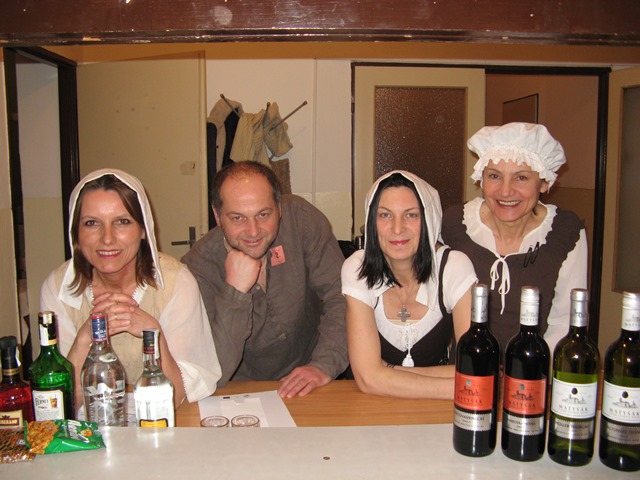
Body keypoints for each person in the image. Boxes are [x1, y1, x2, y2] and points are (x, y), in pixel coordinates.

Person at [41, 169, 221, 410]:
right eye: (92, 223)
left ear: (144, 229)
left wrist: (154, 334)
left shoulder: (176, 282)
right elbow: (59, 405)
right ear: (76, 233)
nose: (107, 238)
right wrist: (85, 339)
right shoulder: (57, 288)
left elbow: (176, 396)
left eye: (122, 222)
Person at [182, 161, 348, 398]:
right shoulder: (197, 269)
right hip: (240, 392)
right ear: (217, 216)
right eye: (237, 218)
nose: (253, 231)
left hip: (313, 379)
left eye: (263, 214)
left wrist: (323, 364)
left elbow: (341, 296)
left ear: (279, 207)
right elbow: (213, 372)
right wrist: (235, 291)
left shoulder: (301, 220)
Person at [441, 122, 588, 356]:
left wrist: (526, 368)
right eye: (494, 176)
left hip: (533, 367)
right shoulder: (454, 225)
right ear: (481, 179)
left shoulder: (565, 232)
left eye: (521, 177)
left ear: (544, 182)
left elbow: (563, 321)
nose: (506, 191)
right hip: (465, 368)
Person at [342, 171, 477, 399]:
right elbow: (367, 380)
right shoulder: (357, 267)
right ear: (372, 223)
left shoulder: (454, 267)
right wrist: (461, 386)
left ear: (429, 220)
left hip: (432, 409)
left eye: (411, 215)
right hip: (367, 404)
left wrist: (386, 371)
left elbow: (475, 369)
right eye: (385, 215)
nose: (397, 228)